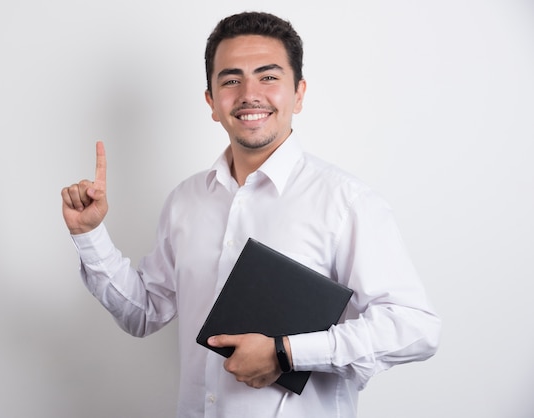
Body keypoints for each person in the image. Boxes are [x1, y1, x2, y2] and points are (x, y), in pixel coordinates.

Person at [61, 11, 441, 418]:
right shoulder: (185, 201)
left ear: (298, 93)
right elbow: (145, 313)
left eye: (269, 76)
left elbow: (414, 329)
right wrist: (90, 235)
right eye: (230, 80)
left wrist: (287, 352)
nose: (249, 94)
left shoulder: (346, 202)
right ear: (211, 101)